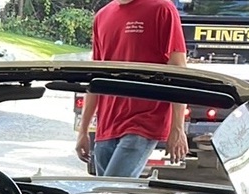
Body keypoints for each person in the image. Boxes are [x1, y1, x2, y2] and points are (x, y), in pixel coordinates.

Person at [75, 0, 190, 177]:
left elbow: (178, 71)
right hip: (107, 125)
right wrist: (83, 131)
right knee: (104, 190)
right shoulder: (102, 16)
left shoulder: (161, 9)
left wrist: (177, 128)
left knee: (112, 189)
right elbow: (96, 78)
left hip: (144, 120)